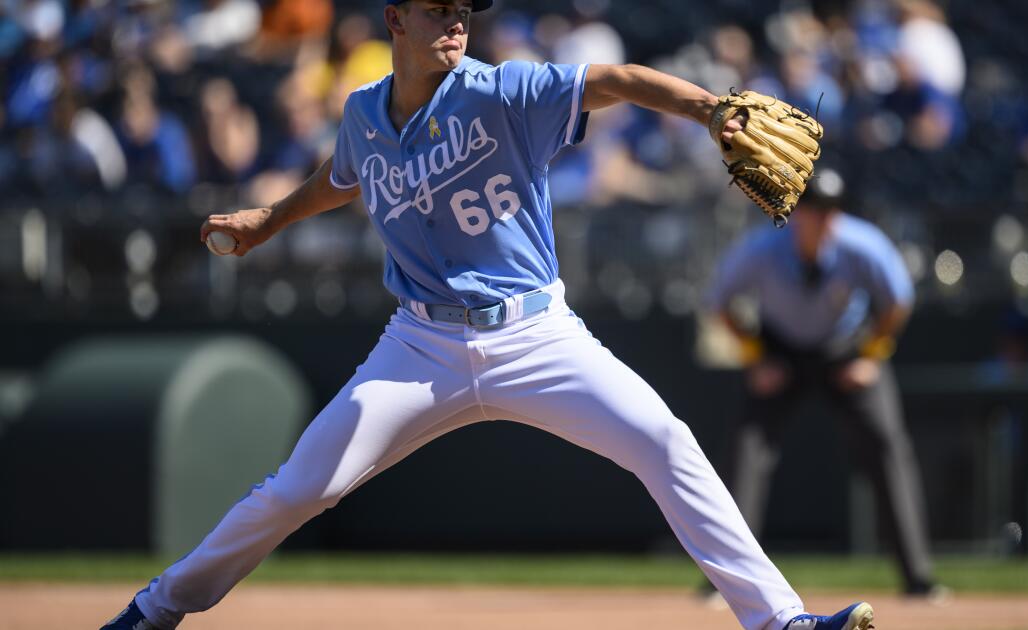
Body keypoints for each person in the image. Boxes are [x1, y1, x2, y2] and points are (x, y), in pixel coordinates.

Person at [101, 2, 874, 629]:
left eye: (464, 11)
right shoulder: (364, 113)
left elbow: (616, 78)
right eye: (439, 11)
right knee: (300, 488)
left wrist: (708, 110)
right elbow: (348, 176)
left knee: (663, 440)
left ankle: (779, 622)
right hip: (420, 346)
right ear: (394, 20)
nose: (457, 23)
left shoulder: (505, 91)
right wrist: (269, 219)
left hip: (537, 334)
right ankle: (156, 608)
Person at [705, 168, 942, 600]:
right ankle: (724, 583)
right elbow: (719, 302)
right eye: (814, 211)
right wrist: (756, 358)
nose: (824, 221)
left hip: (846, 350)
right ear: (796, 214)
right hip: (779, 350)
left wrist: (871, 355)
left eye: (831, 212)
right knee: (746, 455)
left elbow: (898, 302)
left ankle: (918, 578)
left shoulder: (862, 243)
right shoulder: (763, 248)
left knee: (887, 447)